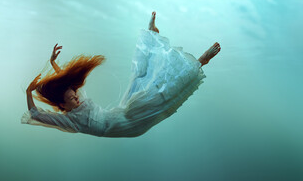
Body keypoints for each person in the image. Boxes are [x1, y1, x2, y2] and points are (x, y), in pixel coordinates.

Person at [22, 12, 221, 137]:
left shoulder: (76, 101)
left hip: (122, 112)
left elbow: (66, 83)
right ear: (64, 106)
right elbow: (36, 114)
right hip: (130, 125)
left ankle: (152, 36)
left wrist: (53, 63)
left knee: (138, 78)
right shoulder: (70, 120)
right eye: (73, 98)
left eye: (74, 94)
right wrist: (28, 92)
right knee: (158, 96)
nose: (77, 97)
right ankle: (200, 62)